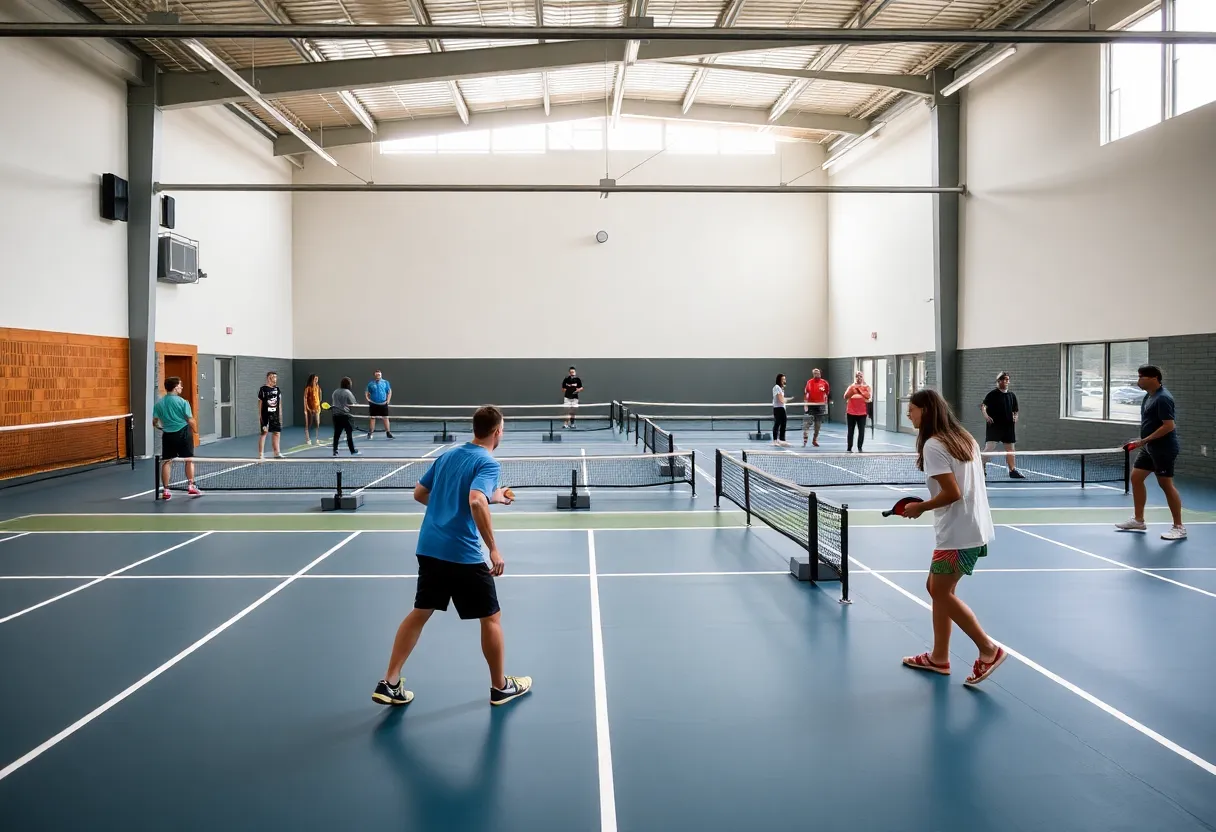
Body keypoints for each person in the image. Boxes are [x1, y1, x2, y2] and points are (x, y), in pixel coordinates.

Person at [372, 406, 532, 708]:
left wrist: (491, 497)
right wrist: (493, 548)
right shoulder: (488, 462)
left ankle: (389, 682)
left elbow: (420, 493)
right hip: (463, 553)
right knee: (491, 618)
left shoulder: (448, 455)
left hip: (430, 547)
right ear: (497, 431)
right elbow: (474, 501)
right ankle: (500, 687)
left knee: (421, 611)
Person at [899, 388, 1006, 686]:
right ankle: (939, 657)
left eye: (912, 409)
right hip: (974, 529)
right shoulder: (964, 437)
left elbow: (952, 493)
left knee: (941, 592)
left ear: (927, 411)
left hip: (958, 534)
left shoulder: (934, 445)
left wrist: (920, 507)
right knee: (935, 587)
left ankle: (988, 650)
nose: (909, 414)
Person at [1117, 365, 1186, 541]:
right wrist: (1140, 441)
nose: (1138, 380)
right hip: (1149, 448)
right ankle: (1139, 520)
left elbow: (1169, 425)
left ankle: (1179, 527)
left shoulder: (1163, 398)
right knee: (1136, 478)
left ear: (1154, 378)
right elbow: (1150, 423)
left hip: (1163, 449)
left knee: (1166, 485)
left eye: (1142, 377)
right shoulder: (1149, 396)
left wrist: (1143, 441)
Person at [153, 376, 201, 500]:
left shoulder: (159, 404)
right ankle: (191, 486)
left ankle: (166, 490)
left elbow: (155, 422)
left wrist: (162, 428)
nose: (181, 387)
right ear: (175, 388)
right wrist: (196, 432)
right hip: (183, 433)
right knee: (189, 460)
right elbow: (190, 419)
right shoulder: (183, 402)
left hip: (168, 435)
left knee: (167, 461)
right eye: (180, 385)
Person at [981, 372, 1024, 478]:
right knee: (989, 448)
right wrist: (986, 416)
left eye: (1007, 379)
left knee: (1010, 450)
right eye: (1004, 379)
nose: (1006, 381)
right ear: (998, 381)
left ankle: (1012, 470)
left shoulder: (1011, 395)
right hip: (994, 426)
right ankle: (980, 468)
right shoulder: (992, 394)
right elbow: (983, 407)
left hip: (1008, 427)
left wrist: (1016, 416)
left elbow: (1015, 410)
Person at [257, 371, 283, 460]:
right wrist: (260, 415)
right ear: (269, 378)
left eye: (276, 377)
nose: (275, 379)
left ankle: (277, 453)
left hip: (275, 415)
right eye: (273, 377)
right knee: (264, 433)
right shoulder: (263, 389)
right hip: (266, 415)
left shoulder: (277, 389)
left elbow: (279, 403)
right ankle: (261, 454)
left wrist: (280, 414)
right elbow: (260, 403)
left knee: (277, 433)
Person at [331, 376, 360, 457]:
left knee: (336, 434)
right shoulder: (347, 392)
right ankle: (352, 451)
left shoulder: (335, 392)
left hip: (336, 416)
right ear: (348, 384)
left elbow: (334, 403)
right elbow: (353, 403)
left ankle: (335, 451)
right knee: (349, 434)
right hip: (345, 416)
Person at [844, 371, 872, 453]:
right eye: (857, 376)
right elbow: (845, 396)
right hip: (851, 412)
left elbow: (868, 396)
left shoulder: (867, 387)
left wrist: (859, 390)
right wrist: (852, 391)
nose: (858, 378)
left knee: (861, 430)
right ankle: (849, 448)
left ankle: (860, 447)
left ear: (863, 377)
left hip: (862, 413)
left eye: (860, 376)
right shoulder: (851, 387)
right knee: (850, 430)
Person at [802, 368, 830, 447]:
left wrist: (824, 403)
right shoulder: (809, 382)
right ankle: (805, 439)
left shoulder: (825, 383)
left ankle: (814, 440)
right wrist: (806, 405)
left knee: (817, 426)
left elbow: (827, 393)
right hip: (811, 405)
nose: (816, 374)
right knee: (807, 424)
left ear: (820, 373)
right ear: (813, 374)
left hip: (820, 406)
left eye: (817, 373)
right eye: (814, 373)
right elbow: (806, 394)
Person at [366, 370, 394, 440]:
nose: (378, 375)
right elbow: (367, 392)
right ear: (375, 375)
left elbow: (389, 391)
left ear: (381, 375)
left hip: (383, 403)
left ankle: (388, 432)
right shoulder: (371, 384)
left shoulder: (385, 382)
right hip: (373, 404)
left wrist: (388, 400)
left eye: (379, 374)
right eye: (377, 374)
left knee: (385, 418)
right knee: (372, 418)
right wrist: (368, 399)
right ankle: (371, 433)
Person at [771, 374, 791, 447]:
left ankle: (782, 440)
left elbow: (782, 399)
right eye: (783, 379)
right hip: (778, 408)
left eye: (785, 379)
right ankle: (775, 440)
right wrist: (786, 401)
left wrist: (789, 399)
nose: (784, 381)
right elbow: (780, 399)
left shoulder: (781, 388)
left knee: (783, 424)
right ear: (779, 380)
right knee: (777, 424)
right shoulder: (776, 387)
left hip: (782, 408)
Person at [303, 374, 323, 445]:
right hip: (310, 410)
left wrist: (318, 406)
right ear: (312, 379)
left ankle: (316, 438)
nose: (316, 380)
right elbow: (305, 398)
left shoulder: (318, 387)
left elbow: (319, 398)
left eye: (317, 379)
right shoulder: (308, 388)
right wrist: (307, 408)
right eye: (315, 379)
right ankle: (308, 439)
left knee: (317, 424)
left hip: (317, 409)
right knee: (309, 424)